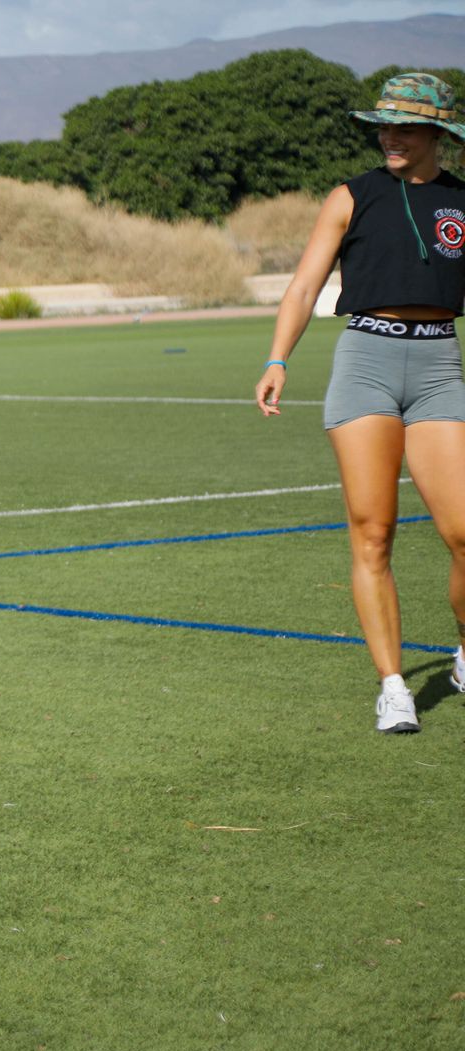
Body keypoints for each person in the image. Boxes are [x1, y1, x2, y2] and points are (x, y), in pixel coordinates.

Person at [254, 72, 465, 735]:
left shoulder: (461, 200)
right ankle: (394, 684)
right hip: (366, 361)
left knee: (463, 532)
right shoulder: (351, 196)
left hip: (439, 363)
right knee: (374, 531)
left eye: (404, 126)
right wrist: (277, 358)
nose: (390, 136)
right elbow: (303, 285)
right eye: (384, 125)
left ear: (437, 134)